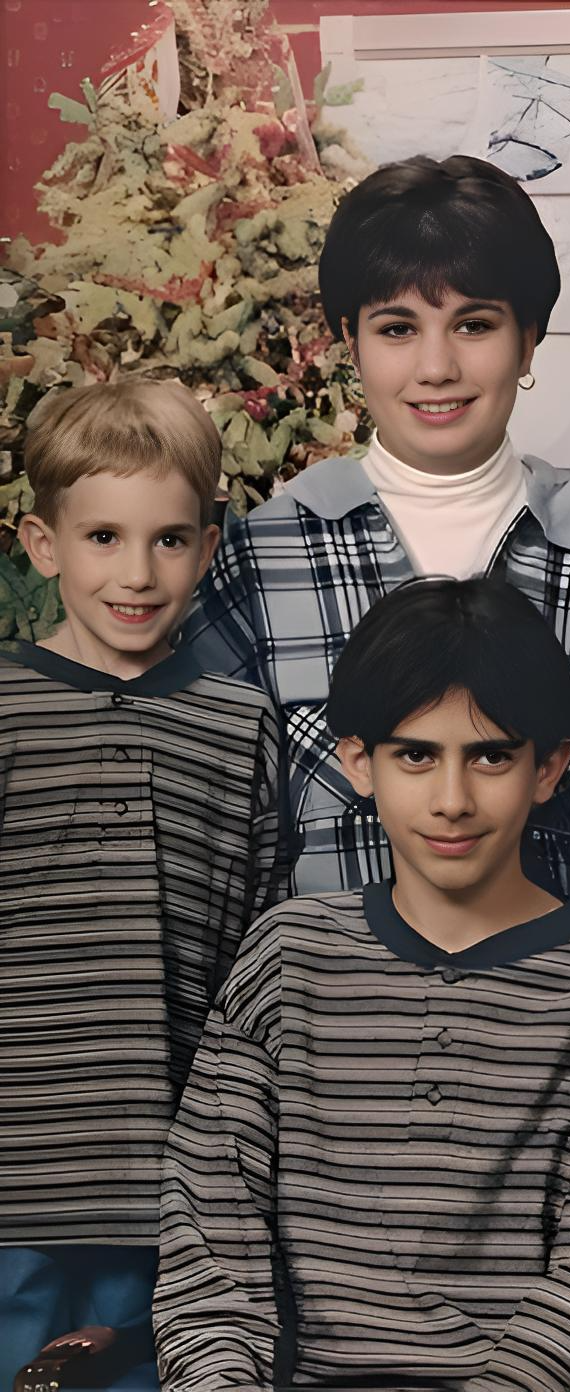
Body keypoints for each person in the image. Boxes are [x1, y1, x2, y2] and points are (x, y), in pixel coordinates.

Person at [154, 576, 570, 1392]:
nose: (452, 801)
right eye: (416, 755)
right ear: (358, 762)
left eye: (490, 756)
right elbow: (211, 1237)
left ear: (549, 767)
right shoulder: (286, 959)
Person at [185, 153, 570, 929]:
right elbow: (205, 853)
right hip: (329, 1031)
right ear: (350, 341)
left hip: (569, 1033)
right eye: (397, 328)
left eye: (473, 325)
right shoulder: (258, 568)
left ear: (529, 340)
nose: (436, 367)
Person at [0, 380, 290, 1390]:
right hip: (14, 1184)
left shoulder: (239, 723)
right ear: (44, 545)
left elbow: (261, 949)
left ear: (208, 549)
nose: (138, 571)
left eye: (169, 540)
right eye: (104, 538)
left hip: (174, 1182)